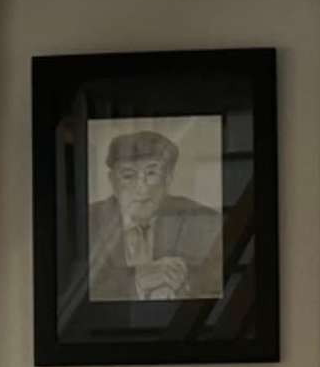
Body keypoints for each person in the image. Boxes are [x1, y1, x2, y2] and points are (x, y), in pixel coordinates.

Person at [83, 125, 224, 304]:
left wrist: (182, 285)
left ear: (168, 178)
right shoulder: (86, 222)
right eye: (128, 175)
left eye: (152, 173)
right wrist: (136, 281)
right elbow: (79, 291)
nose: (142, 187)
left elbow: (218, 282)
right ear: (112, 181)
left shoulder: (203, 221)